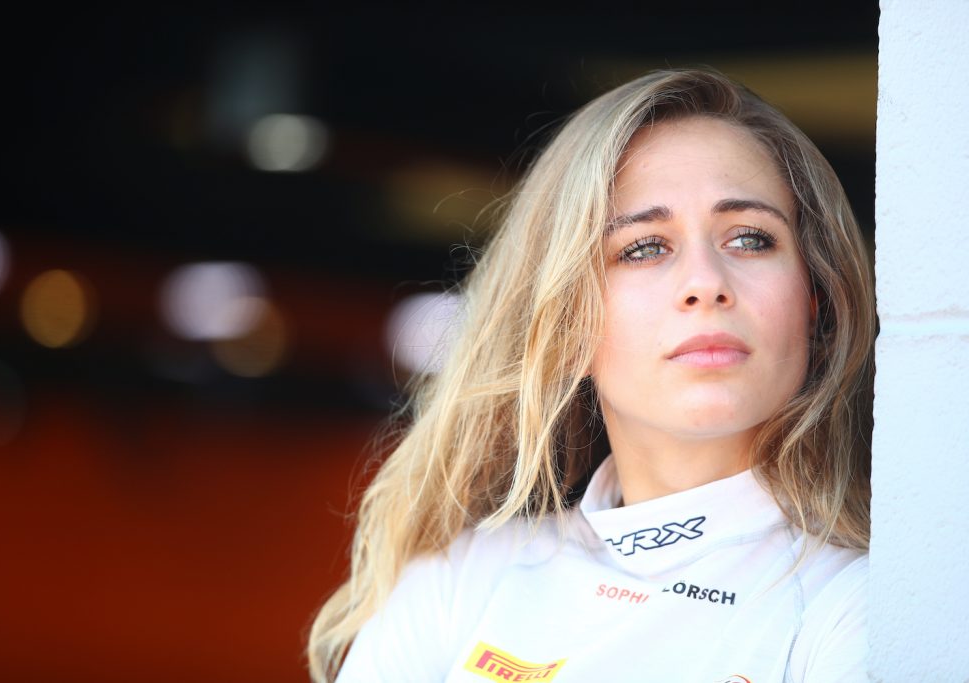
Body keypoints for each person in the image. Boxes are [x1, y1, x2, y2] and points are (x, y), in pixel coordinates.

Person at [308, 68, 875, 682]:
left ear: (815, 301)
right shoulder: (460, 582)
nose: (706, 283)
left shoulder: (862, 607)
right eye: (644, 247)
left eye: (749, 239)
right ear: (567, 323)